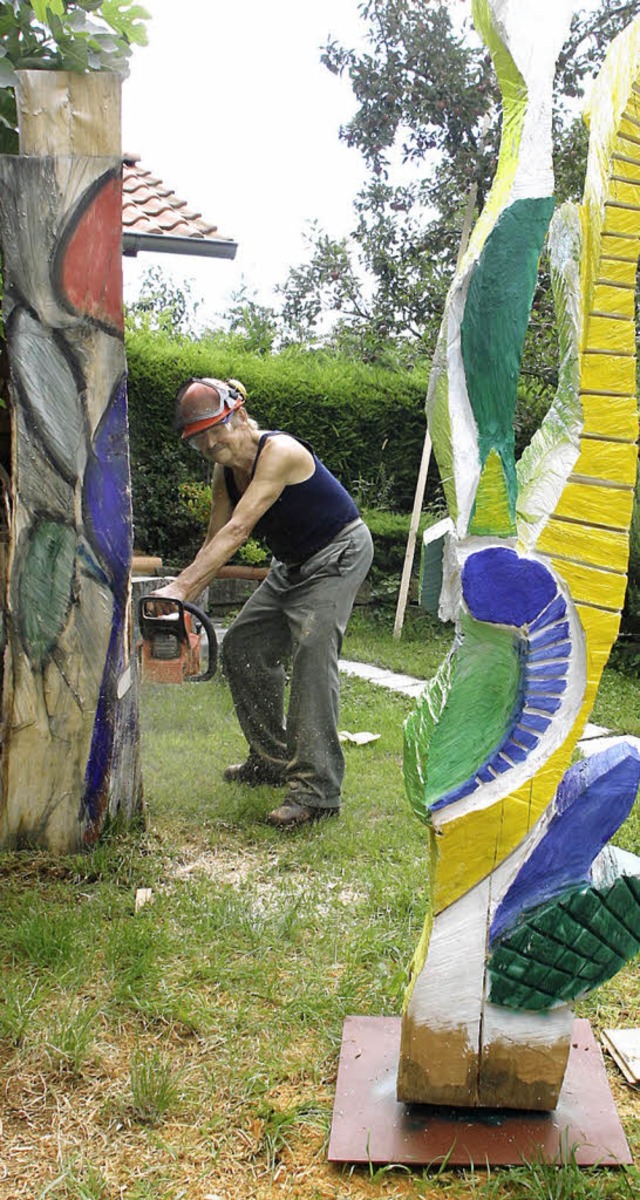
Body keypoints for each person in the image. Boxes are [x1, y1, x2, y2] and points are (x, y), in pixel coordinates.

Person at [154, 377, 374, 828]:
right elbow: (217, 539)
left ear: (238, 414)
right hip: (291, 565)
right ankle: (271, 760)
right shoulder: (224, 472)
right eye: (199, 437)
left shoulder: (281, 453)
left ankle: (317, 794)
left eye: (217, 427)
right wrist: (189, 605)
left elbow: (239, 530)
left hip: (338, 553)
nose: (211, 442)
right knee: (243, 644)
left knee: (313, 654)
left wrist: (177, 590)